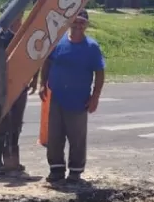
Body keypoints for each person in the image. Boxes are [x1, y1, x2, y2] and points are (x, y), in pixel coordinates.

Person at [40, 9, 105, 185]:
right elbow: (46, 62)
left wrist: (95, 96)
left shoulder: (91, 47)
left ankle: (75, 171)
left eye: (82, 22)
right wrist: (41, 83)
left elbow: (99, 72)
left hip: (78, 99)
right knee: (55, 136)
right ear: (69, 22)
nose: (78, 25)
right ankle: (56, 169)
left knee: (76, 137)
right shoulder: (58, 42)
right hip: (57, 97)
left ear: (86, 25)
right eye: (75, 21)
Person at [0, 12, 37, 178]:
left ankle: (12, 160)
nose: (18, 21)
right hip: (4, 87)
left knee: (16, 124)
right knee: (2, 124)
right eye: (16, 18)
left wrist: (34, 79)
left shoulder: (25, 37)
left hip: (21, 86)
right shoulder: (2, 38)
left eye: (20, 17)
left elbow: (35, 58)